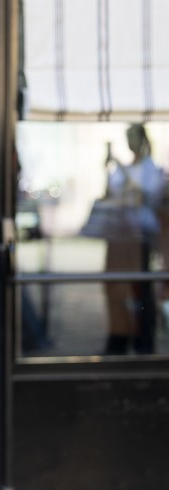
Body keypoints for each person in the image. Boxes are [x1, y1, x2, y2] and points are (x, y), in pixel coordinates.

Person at [102, 124, 165, 354]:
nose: (130, 142)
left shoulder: (152, 170)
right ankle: (119, 337)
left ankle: (142, 340)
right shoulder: (126, 169)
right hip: (120, 237)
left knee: (140, 290)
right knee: (117, 288)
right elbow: (111, 195)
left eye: (133, 137)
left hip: (141, 238)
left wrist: (120, 169)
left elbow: (146, 195)